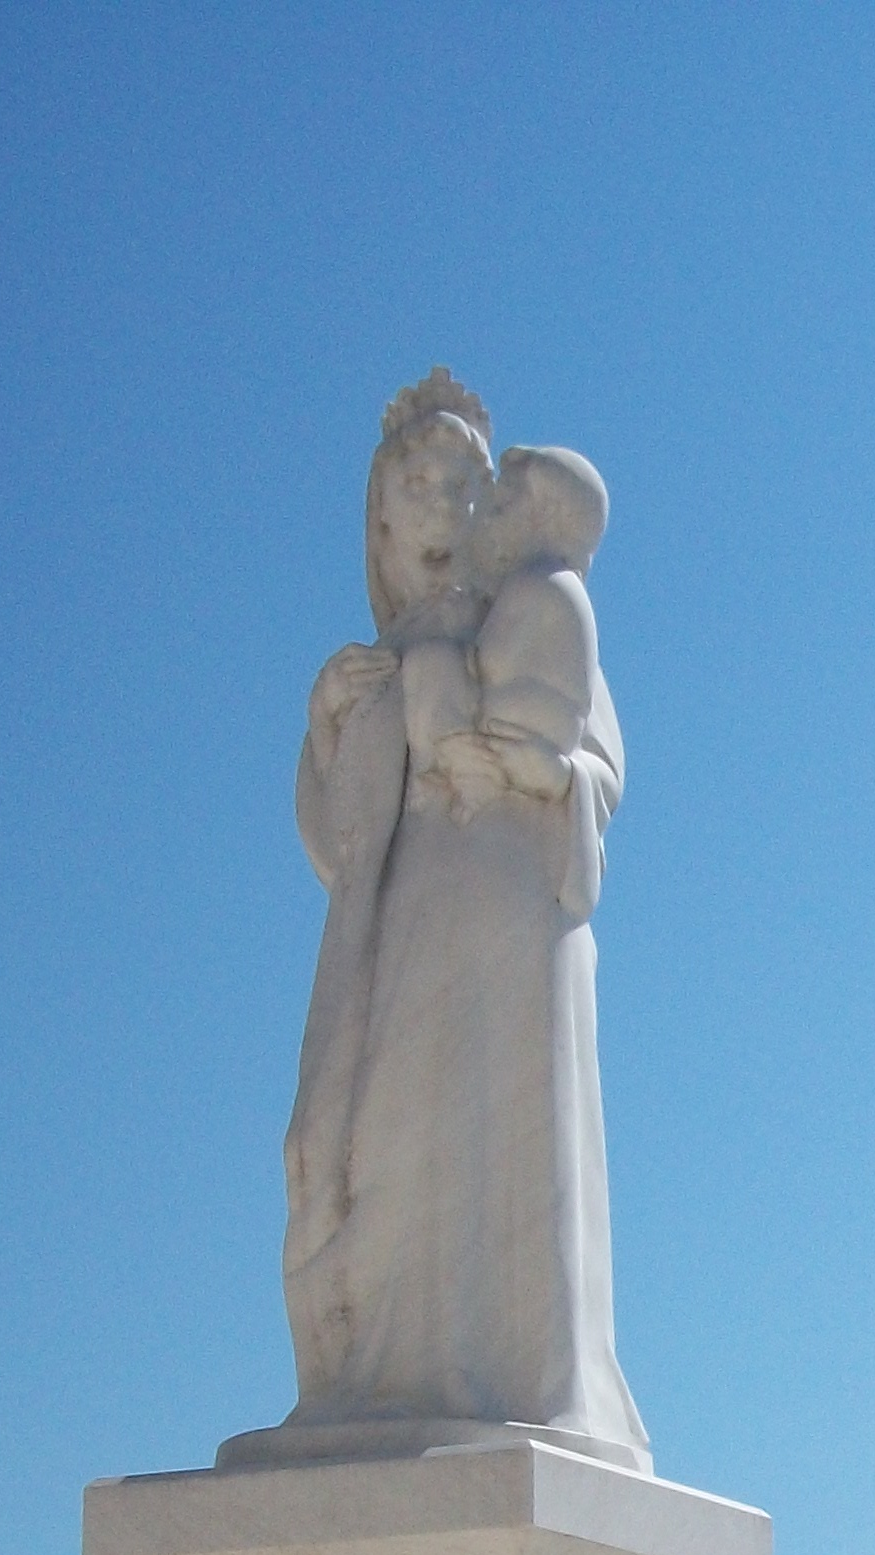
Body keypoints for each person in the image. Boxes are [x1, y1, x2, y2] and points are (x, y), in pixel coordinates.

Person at [227, 371, 647, 1472]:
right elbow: (338, 845)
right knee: (363, 1142)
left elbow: (597, 768)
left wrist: (529, 768)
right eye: (418, 485)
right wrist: (332, 728)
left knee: (486, 1140)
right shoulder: (371, 663)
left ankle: (492, 1373)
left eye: (466, 483)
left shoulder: (534, 608)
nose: (446, 506)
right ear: (378, 517)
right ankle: (379, 1373)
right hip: (399, 927)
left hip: (504, 912)